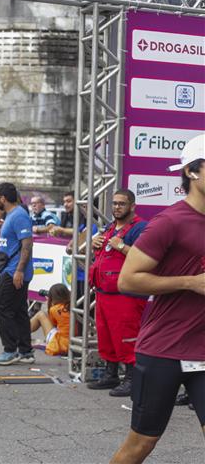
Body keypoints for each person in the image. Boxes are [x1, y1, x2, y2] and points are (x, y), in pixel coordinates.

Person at [111, 135, 205, 463]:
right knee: (142, 443)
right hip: (164, 350)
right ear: (192, 171)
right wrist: (190, 283)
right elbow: (128, 279)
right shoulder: (170, 222)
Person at [87, 189, 148, 397]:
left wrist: (121, 245)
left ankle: (132, 379)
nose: (116, 207)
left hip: (126, 294)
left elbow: (144, 257)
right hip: (104, 292)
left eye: (122, 204)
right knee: (106, 336)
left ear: (132, 206)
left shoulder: (141, 228)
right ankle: (110, 374)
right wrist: (95, 244)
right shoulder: (110, 227)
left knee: (127, 337)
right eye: (114, 203)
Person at [0, 182, 35, 366]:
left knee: (0, 307)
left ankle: (10, 350)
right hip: (12, 269)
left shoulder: (19, 215)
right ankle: (25, 351)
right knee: (18, 310)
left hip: (14, 272)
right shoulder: (11, 215)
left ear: (3, 198)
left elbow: (27, 244)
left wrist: (19, 270)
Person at [29, 283, 70, 356]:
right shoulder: (71, 306)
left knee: (40, 314)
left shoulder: (54, 309)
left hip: (61, 343)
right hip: (72, 341)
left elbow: (53, 324)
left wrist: (49, 304)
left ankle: (21, 334)